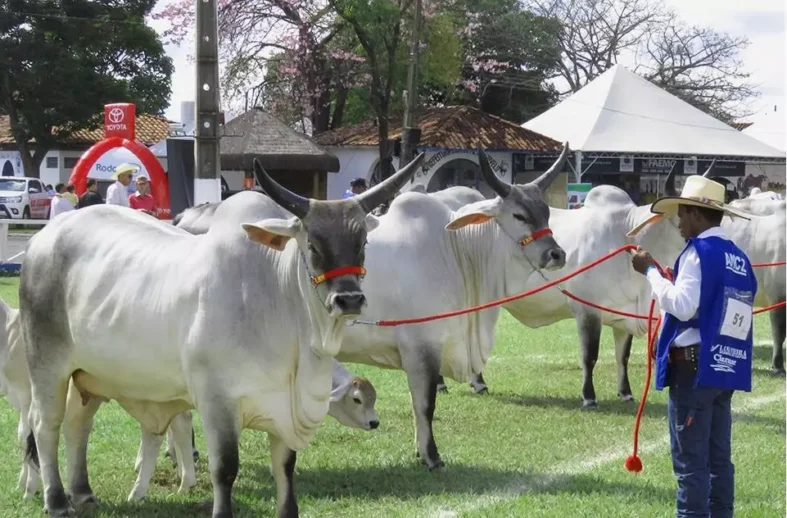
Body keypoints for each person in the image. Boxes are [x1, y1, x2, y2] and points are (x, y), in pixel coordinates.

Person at [630, 174, 757, 518]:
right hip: (723, 368)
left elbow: (683, 306)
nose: (679, 222)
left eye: (682, 214)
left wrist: (651, 273)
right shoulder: (737, 257)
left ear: (697, 214)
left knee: (690, 466)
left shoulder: (698, 253)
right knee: (719, 461)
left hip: (693, 370)